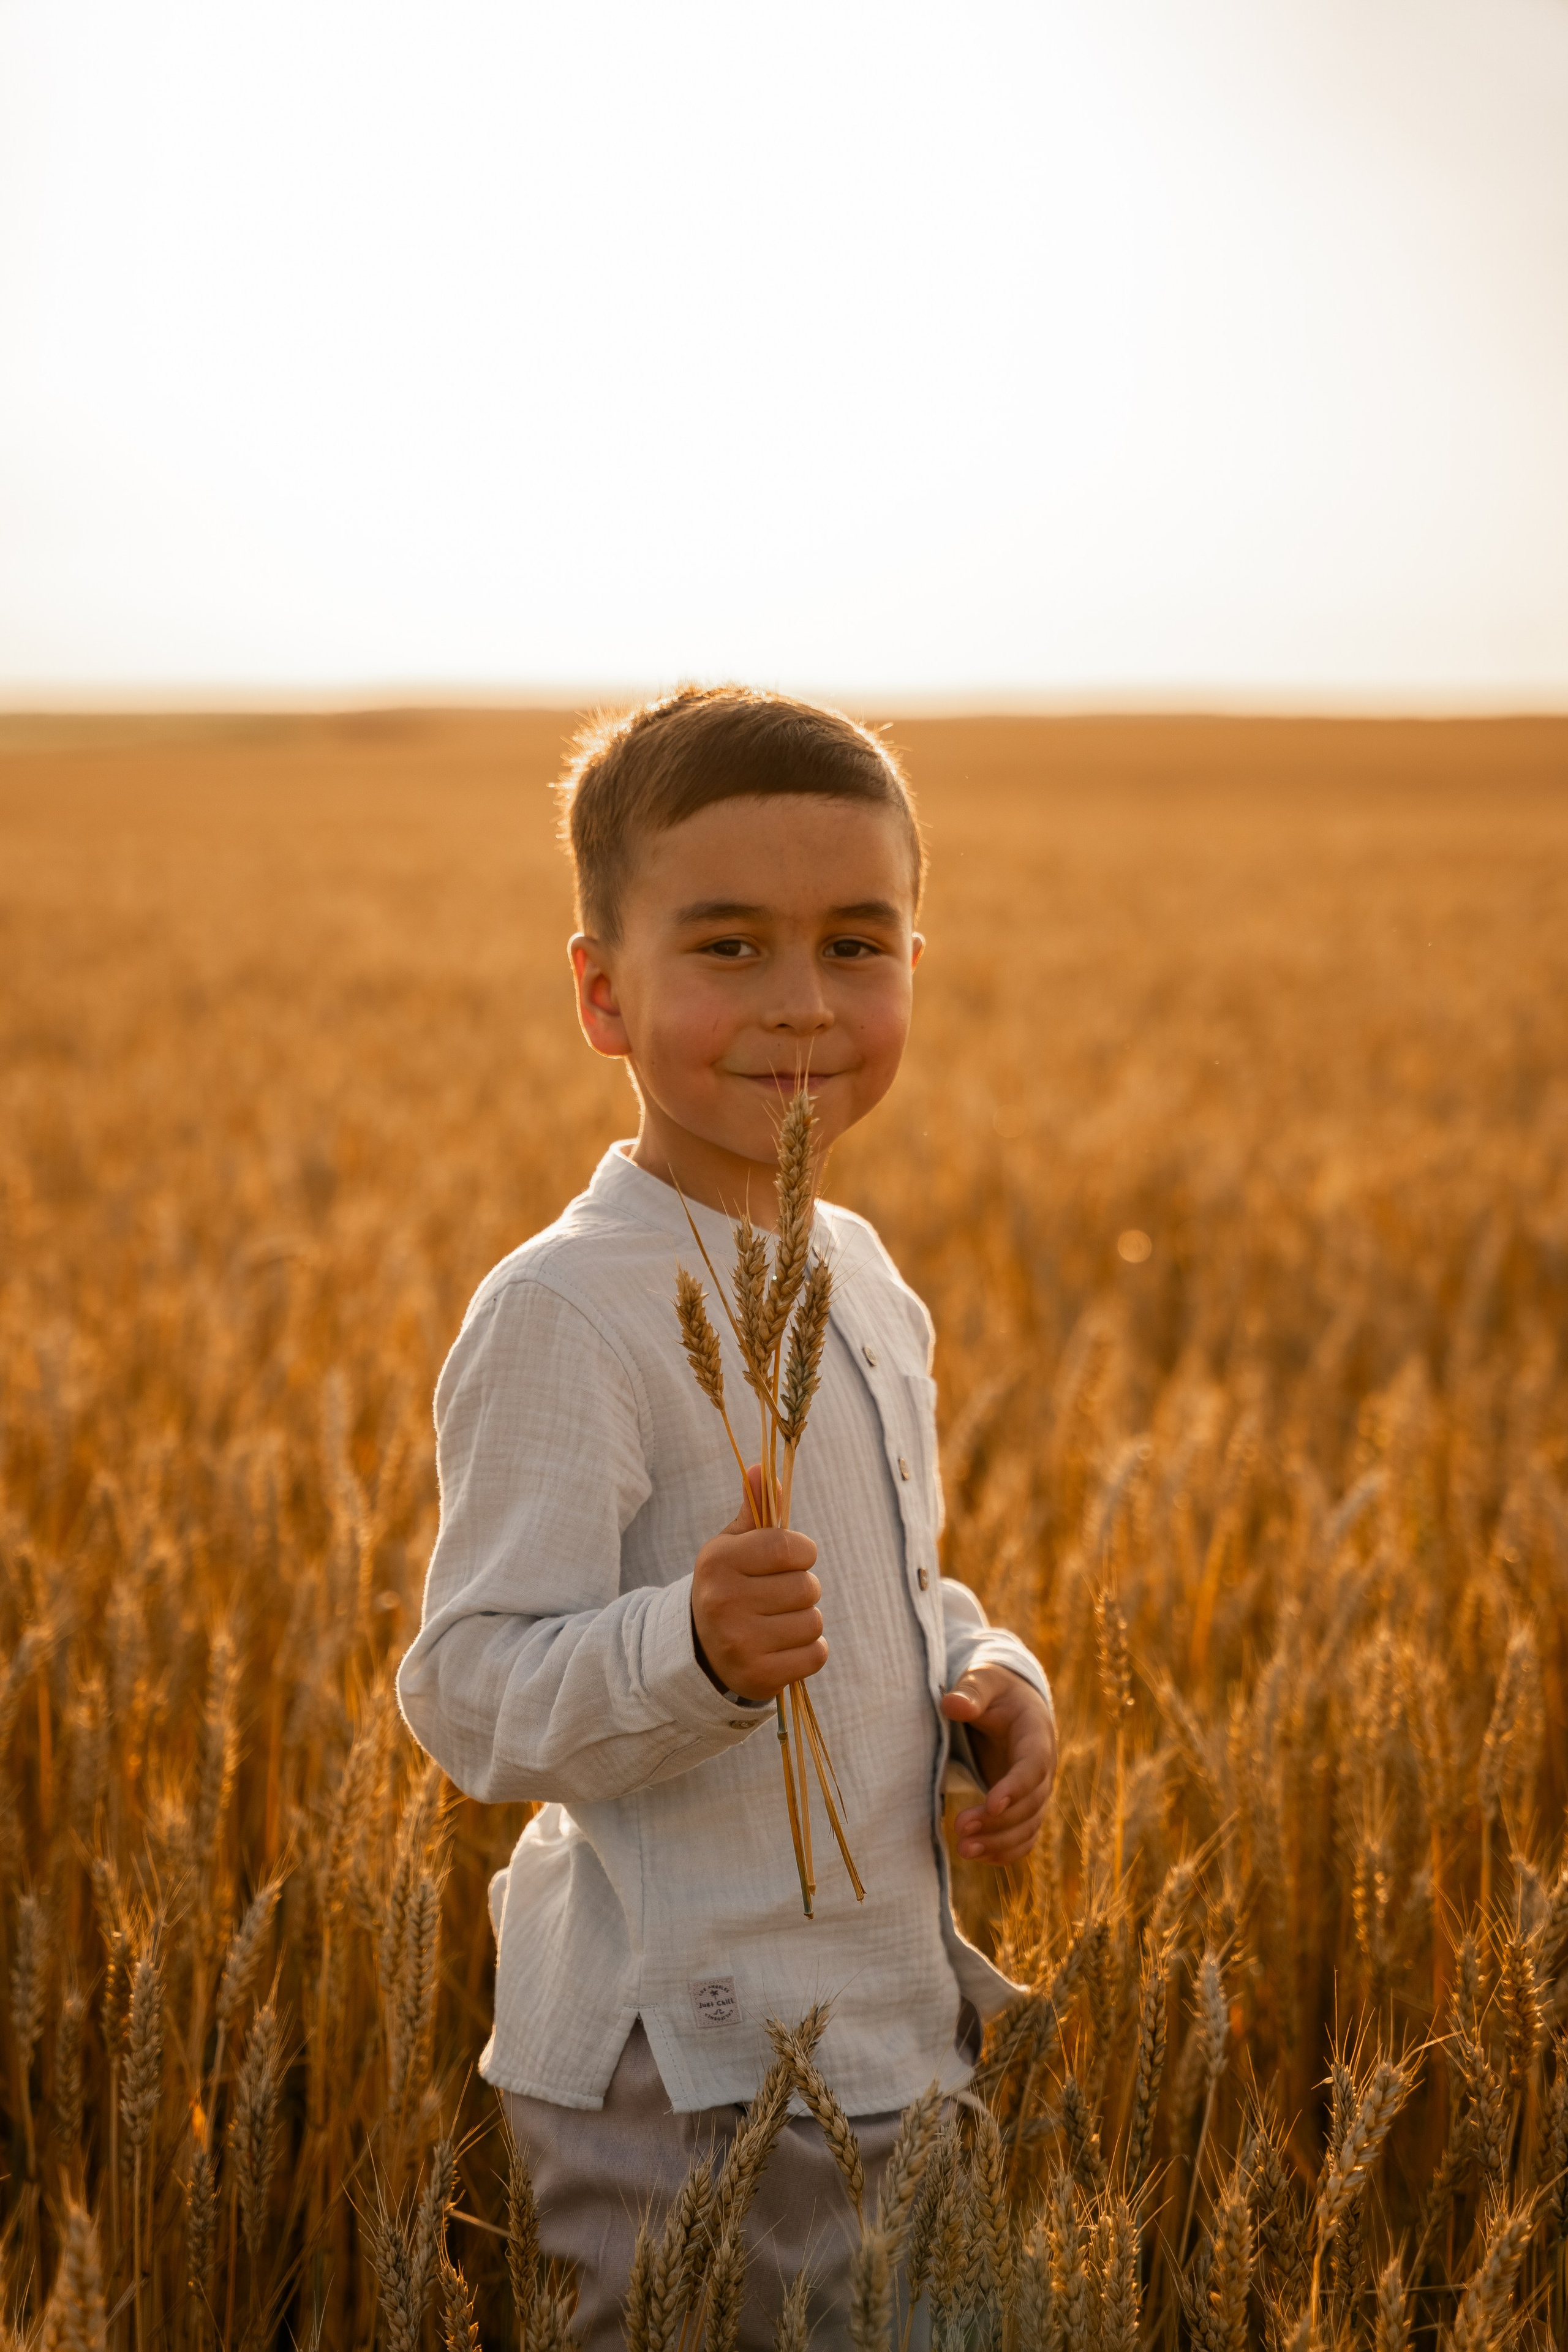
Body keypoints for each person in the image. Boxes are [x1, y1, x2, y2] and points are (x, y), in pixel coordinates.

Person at [396, 686, 1058, 2347]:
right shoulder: (570, 1310)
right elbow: (471, 1689)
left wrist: (991, 1675)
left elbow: (894, 1579)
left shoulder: (864, 1274)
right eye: (729, 949)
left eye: (857, 943)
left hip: (892, 2033)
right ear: (602, 995)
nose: (802, 1006)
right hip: (676, 2069)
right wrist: (683, 1648)